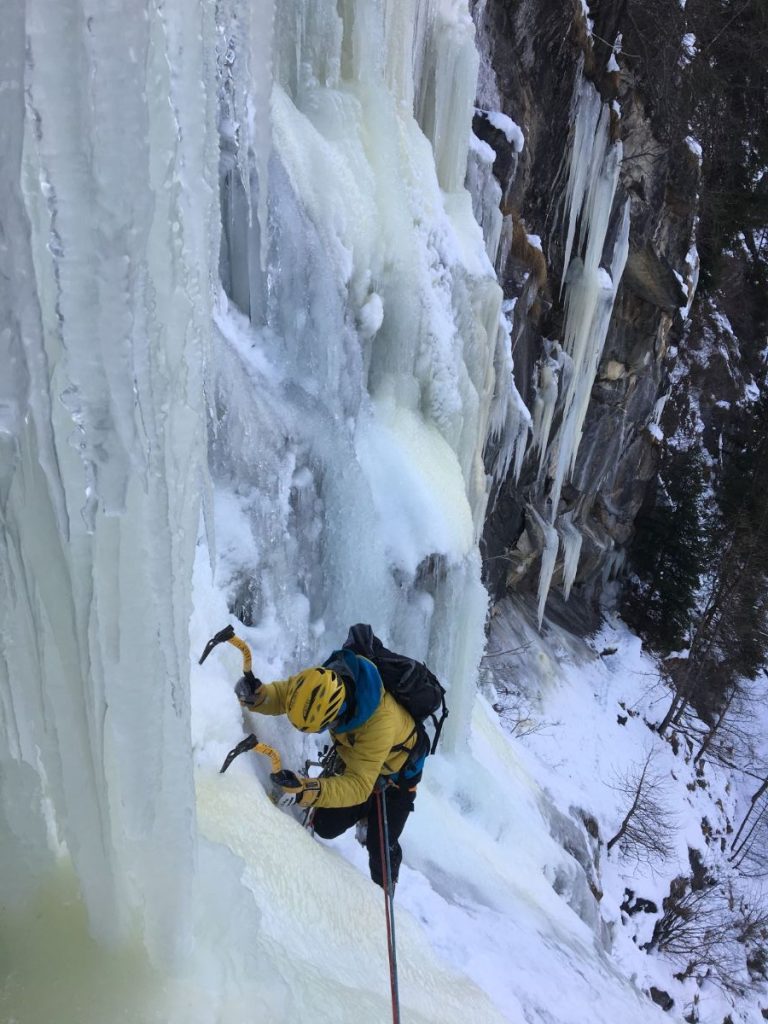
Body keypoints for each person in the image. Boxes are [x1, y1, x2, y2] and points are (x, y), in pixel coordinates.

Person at [234, 642, 427, 888]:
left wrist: (307, 790)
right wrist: (260, 698)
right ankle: (364, 811)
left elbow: (359, 785)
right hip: (358, 758)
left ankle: (383, 888)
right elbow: (288, 695)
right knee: (325, 825)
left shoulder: (380, 723)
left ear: (338, 714)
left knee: (380, 849)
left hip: (399, 776)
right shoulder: (323, 679)